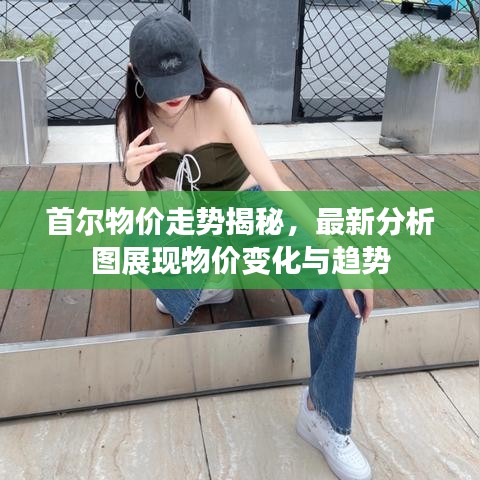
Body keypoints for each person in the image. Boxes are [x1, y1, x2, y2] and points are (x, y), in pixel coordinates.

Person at [115, 10, 374, 480]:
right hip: (193, 221)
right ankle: (210, 282)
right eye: (161, 84)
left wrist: (340, 251)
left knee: (341, 291)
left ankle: (321, 415)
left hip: (250, 209)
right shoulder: (130, 119)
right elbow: (143, 217)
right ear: (136, 72)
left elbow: (274, 184)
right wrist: (131, 175)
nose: (174, 96)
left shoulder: (221, 103)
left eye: (183, 78)